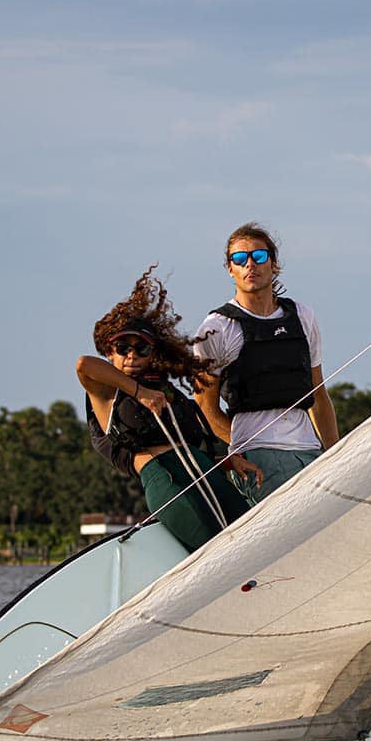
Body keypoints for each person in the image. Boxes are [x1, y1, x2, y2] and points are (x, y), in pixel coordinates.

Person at [77, 266, 259, 551]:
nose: (132, 356)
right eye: (123, 348)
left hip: (202, 469)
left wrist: (227, 460)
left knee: (254, 536)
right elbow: (83, 365)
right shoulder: (106, 391)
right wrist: (139, 392)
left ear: (154, 353)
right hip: (164, 478)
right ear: (109, 351)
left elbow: (192, 438)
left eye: (142, 349)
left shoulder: (164, 389)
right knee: (217, 552)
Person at [194, 223, 339, 504]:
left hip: (309, 451)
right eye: (239, 259)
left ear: (273, 263)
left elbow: (318, 393)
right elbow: (204, 408)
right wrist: (240, 451)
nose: (250, 264)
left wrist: (335, 453)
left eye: (259, 256)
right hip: (259, 454)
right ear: (230, 269)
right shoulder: (216, 328)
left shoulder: (303, 316)